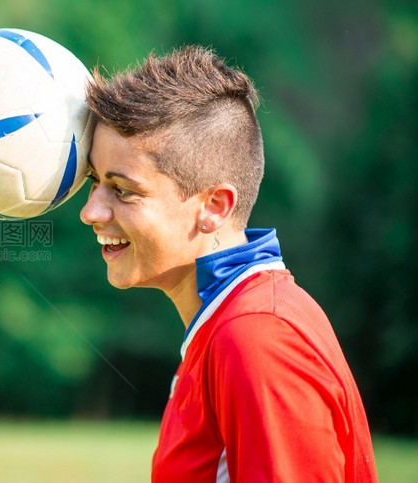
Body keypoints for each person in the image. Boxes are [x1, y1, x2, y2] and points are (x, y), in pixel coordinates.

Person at [80, 45, 377, 482]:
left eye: (122, 190)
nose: (91, 212)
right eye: (94, 182)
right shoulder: (229, 323)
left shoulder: (257, 338)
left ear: (214, 206)